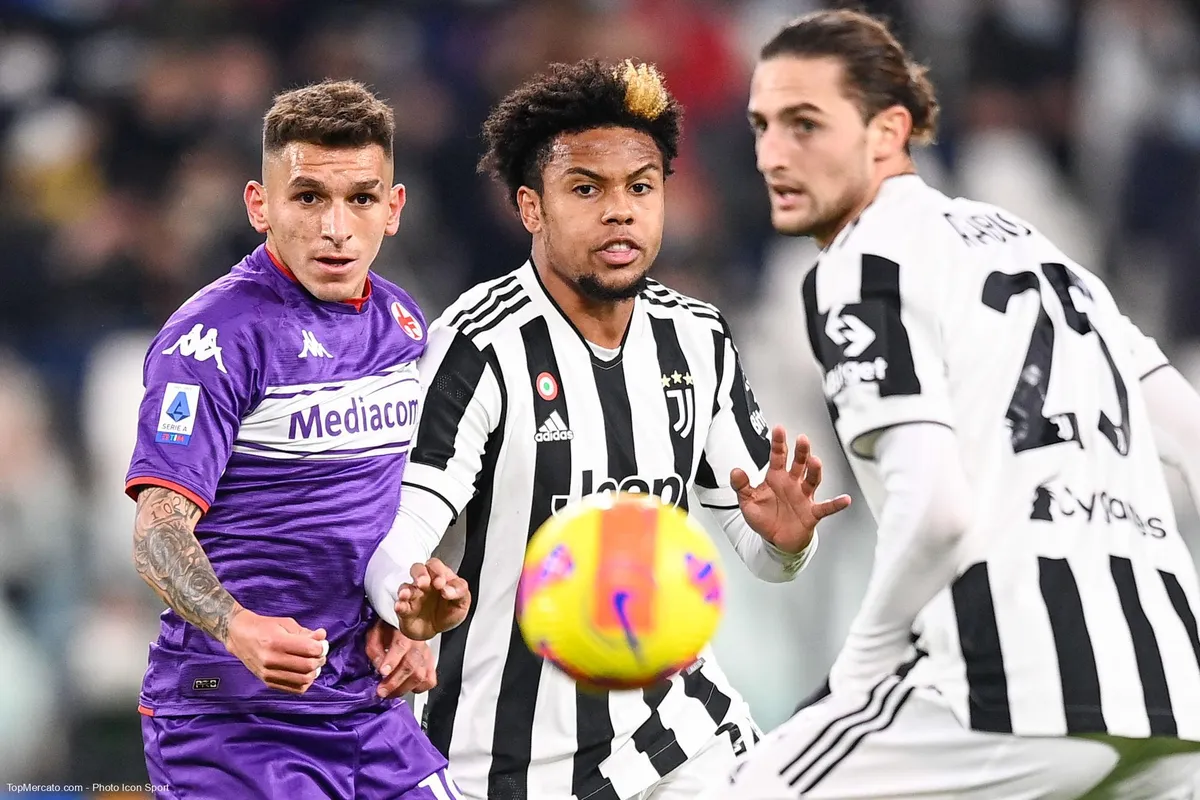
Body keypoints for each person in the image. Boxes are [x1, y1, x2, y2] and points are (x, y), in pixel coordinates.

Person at [725, 9, 1200, 799]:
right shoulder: (1052, 260)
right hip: (1176, 709)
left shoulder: (863, 260)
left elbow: (937, 513)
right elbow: (1190, 435)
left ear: (889, 129)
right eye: (764, 126)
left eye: (806, 124)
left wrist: (863, 664)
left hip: (1005, 690)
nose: (775, 153)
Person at [360, 59, 851, 800]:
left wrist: (787, 539)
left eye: (640, 187)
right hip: (503, 759)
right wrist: (408, 592)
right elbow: (400, 528)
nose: (620, 211)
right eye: (586, 188)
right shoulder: (480, 343)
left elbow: (764, 557)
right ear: (532, 208)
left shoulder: (698, 336)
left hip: (679, 735)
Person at [125, 79, 460, 800]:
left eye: (361, 199)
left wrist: (406, 617)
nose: (336, 228)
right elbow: (156, 529)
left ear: (393, 209)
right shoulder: (213, 339)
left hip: (364, 709)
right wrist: (238, 626)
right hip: (228, 717)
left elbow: (402, 505)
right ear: (260, 205)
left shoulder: (403, 327)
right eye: (308, 197)